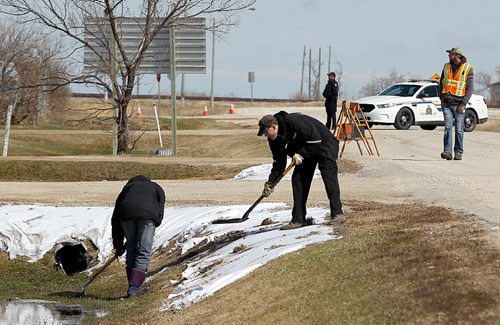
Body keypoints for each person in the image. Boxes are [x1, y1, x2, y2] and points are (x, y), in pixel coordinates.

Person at [257, 112, 343, 230]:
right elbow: (279, 163)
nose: (266, 135)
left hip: (324, 144)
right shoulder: (274, 139)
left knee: (328, 176)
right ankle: (299, 219)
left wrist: (301, 154)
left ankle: (337, 214)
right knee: (298, 180)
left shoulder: (293, 121)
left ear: (273, 126)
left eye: (266, 132)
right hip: (305, 149)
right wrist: (271, 183)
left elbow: (315, 140)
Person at [111, 175, 165, 297]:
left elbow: (115, 221)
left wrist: (118, 245)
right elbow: (160, 211)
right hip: (148, 216)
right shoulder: (156, 187)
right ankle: (134, 288)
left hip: (126, 216)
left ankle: (132, 285)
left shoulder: (126, 189)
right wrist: (155, 221)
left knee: (131, 247)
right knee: (143, 250)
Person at [438, 47, 474, 161]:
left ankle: (458, 152)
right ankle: (447, 152)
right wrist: (441, 97)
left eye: (451, 54)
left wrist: (463, 104)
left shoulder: (468, 68)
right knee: (448, 128)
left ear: (457, 56)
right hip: (446, 103)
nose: (449, 55)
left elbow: (470, 89)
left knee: (459, 129)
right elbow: (441, 82)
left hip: (459, 104)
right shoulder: (446, 66)